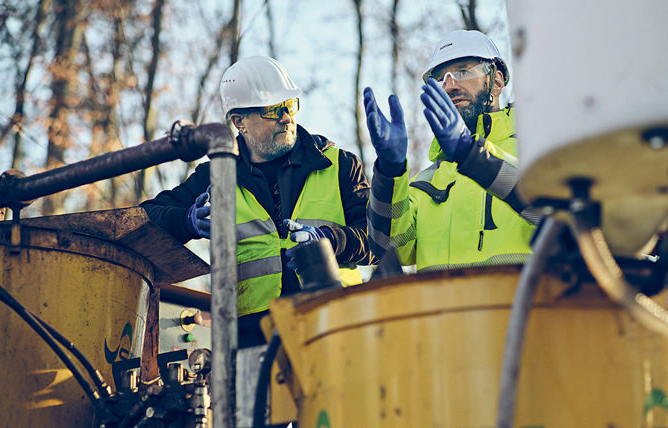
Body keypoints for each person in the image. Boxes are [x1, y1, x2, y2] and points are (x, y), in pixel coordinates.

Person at [141, 56, 373, 347]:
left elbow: (376, 242)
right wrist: (185, 221)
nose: (287, 118)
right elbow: (144, 218)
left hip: (336, 326)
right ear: (239, 122)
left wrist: (331, 240)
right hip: (252, 340)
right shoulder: (216, 174)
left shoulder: (338, 165)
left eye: (290, 105)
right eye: (273, 110)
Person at [364, 30, 539, 272]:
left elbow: (559, 216)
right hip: (444, 310)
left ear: (496, 82)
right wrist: (389, 172)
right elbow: (387, 246)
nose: (450, 84)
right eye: (440, 79)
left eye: (463, 71)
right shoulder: (425, 182)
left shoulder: (535, 152)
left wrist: (473, 155)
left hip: (523, 306)